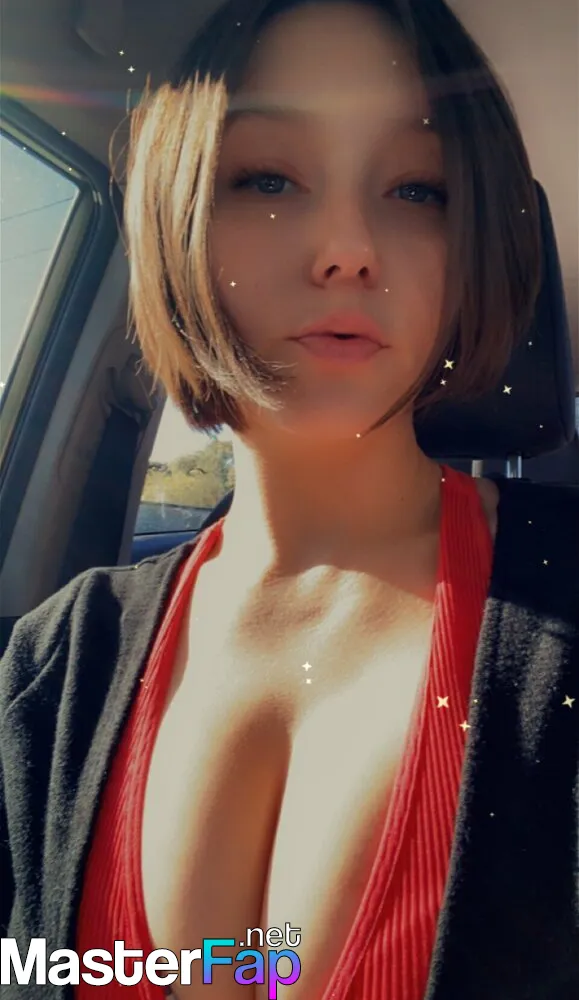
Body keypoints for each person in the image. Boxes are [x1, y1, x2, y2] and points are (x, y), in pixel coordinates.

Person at [1, 1, 578, 998]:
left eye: (417, 189)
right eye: (267, 179)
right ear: (174, 220)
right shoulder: (55, 664)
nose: (346, 249)